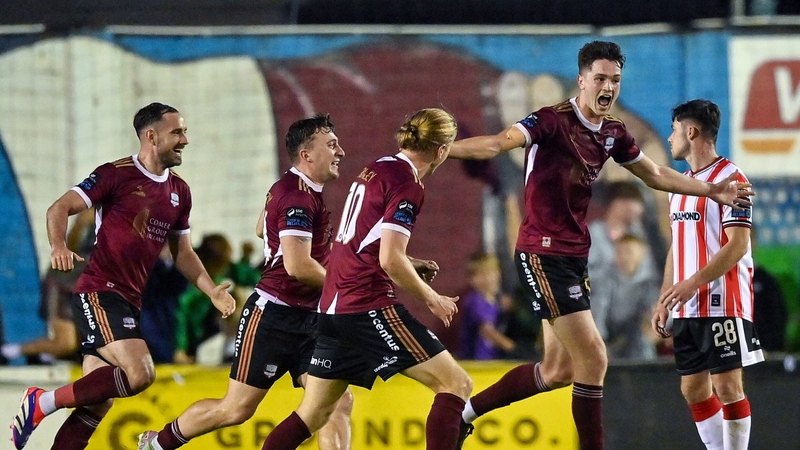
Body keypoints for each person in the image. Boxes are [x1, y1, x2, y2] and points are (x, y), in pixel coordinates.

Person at [448, 41, 751, 450]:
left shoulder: (613, 133)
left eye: (615, 80)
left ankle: (464, 415)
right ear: (582, 80)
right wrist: (443, 151)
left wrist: (712, 190)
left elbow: (656, 174)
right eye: (601, 78)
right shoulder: (551, 121)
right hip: (542, 252)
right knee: (594, 357)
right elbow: (496, 143)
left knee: (557, 371)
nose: (608, 87)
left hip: (574, 258)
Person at [10, 102, 237, 450]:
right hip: (100, 291)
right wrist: (58, 246)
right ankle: (43, 401)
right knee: (140, 373)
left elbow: (183, 252)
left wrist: (211, 291)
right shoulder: (114, 174)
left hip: (130, 300)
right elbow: (60, 207)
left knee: (96, 403)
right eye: (177, 132)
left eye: (185, 131)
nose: (185, 140)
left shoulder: (180, 192)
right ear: (151, 136)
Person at [136, 113, 353, 450]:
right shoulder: (297, 197)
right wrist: (349, 287)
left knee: (336, 401)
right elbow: (298, 266)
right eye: (332, 145)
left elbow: (262, 228)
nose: (340, 152)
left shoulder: (296, 190)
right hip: (274, 318)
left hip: (311, 318)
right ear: (307, 154)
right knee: (235, 410)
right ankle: (157, 444)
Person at [261, 108, 472, 450]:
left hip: (333, 308)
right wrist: (431, 297)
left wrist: (411, 262)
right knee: (456, 385)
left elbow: (359, 243)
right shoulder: (408, 185)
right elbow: (389, 258)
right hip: (365, 304)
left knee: (313, 414)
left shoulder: (378, 167)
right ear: (441, 151)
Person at [651, 99, 763, 450]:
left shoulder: (733, 179)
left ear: (691, 131)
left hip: (723, 301)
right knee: (693, 389)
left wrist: (693, 283)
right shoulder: (681, 185)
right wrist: (665, 298)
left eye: (673, 130)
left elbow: (738, 245)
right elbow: (678, 246)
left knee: (728, 386)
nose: (669, 138)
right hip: (687, 303)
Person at [1, 208, 94, 365]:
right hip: (64, 283)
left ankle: (45, 355)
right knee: (66, 343)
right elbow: (72, 241)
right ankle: (10, 350)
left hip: (89, 288)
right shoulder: (95, 213)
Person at [173, 233, 234, 365]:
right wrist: (180, 348)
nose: (224, 268)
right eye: (222, 264)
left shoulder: (219, 276)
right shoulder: (192, 284)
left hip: (207, 334)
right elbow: (181, 316)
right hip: (190, 338)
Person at [602, 234, 660, 360]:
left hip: (637, 339)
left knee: (642, 340)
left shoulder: (649, 283)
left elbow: (653, 312)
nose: (624, 257)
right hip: (609, 337)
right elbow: (598, 313)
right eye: (620, 252)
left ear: (642, 254)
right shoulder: (604, 281)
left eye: (629, 252)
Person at [459, 252, 517, 360]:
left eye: (491, 272)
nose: (488, 279)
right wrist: (514, 349)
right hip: (476, 363)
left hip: (492, 361)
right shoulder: (475, 301)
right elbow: (487, 331)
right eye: (481, 274)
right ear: (471, 279)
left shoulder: (496, 302)